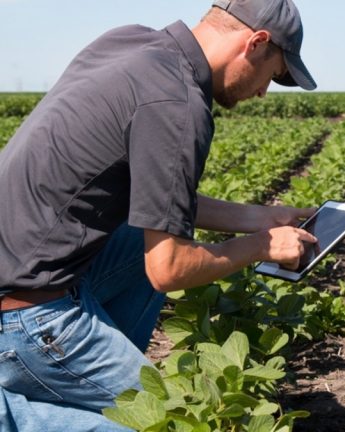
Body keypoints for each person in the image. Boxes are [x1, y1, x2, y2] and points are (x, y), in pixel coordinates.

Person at [0, 0, 318, 430]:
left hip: (24, 281)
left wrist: (258, 218)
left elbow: (158, 201)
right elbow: (168, 269)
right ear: (256, 43)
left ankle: (90, 390)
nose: (263, 91)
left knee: (138, 236)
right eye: (275, 75)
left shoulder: (129, 43)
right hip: (26, 318)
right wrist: (263, 246)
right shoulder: (179, 103)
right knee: (176, 420)